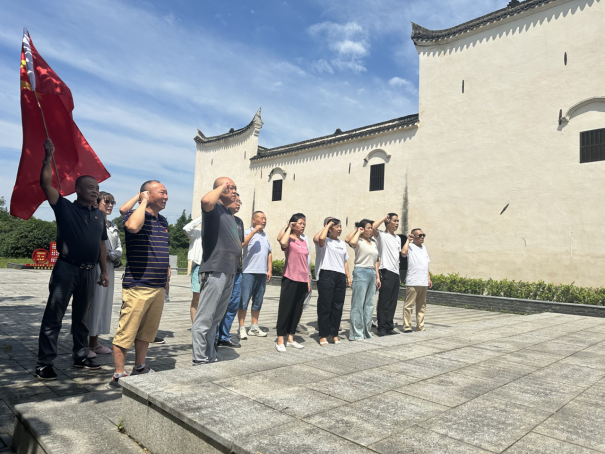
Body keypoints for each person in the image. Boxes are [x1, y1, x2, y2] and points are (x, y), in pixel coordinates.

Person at [35, 139, 108, 380]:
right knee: (54, 316)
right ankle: (45, 363)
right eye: (90, 187)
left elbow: (101, 245)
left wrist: (103, 271)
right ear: (78, 189)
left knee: (82, 318)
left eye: (97, 188)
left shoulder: (99, 216)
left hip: (89, 272)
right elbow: (46, 184)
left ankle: (81, 355)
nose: (95, 191)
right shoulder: (64, 207)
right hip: (66, 269)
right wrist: (48, 157)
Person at [109, 180, 170, 387]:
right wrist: (142, 200)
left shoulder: (163, 221)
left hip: (158, 286)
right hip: (138, 285)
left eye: (166, 193)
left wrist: (166, 276)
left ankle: (140, 366)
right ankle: (119, 373)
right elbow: (133, 226)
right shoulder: (136, 216)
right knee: (127, 331)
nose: (166, 197)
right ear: (147, 194)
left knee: (147, 332)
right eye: (162, 192)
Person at [191, 177, 240, 365]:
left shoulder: (227, 213)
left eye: (235, 188)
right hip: (215, 270)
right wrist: (222, 187)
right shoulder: (214, 209)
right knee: (205, 318)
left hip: (229, 270)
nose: (234, 191)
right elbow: (205, 200)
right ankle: (199, 358)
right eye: (230, 187)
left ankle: (210, 356)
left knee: (215, 319)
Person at [87, 191, 122, 358]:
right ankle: (83, 344)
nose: (110, 205)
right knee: (91, 305)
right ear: (97, 202)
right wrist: (102, 254)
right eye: (106, 202)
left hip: (109, 268)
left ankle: (94, 342)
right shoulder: (91, 220)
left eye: (112, 203)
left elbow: (119, 249)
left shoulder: (113, 225)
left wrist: (110, 255)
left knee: (103, 305)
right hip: (94, 268)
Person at [275, 214, 311, 352]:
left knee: (297, 310)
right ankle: (280, 339)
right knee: (285, 309)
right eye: (300, 223)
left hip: (302, 279)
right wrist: (288, 226)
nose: (303, 226)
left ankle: (290, 338)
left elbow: (305, 263)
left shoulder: (303, 241)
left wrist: (308, 279)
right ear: (293, 224)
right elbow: (282, 242)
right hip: (290, 278)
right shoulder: (289, 238)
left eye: (304, 223)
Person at [315, 219, 351, 346]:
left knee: (338, 306)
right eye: (337, 226)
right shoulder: (325, 241)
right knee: (325, 306)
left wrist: (348, 276)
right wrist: (328, 225)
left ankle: (334, 334)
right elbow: (319, 238)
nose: (340, 229)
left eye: (341, 226)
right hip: (327, 274)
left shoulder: (342, 244)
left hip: (340, 276)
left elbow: (345, 261)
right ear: (330, 229)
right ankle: (323, 335)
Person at [216, 194, 245, 348]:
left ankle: (224, 336)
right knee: (218, 304)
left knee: (233, 304)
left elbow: (240, 243)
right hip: (222, 267)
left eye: (240, 201)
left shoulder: (239, 221)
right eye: (236, 201)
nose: (238, 203)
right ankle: (213, 337)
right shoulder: (220, 217)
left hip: (237, 268)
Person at [238, 211, 272, 339]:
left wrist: (269, 269)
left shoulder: (265, 235)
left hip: (261, 273)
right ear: (254, 220)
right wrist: (254, 232)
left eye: (265, 219)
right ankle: (241, 328)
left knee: (258, 301)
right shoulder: (246, 232)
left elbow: (269, 252)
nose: (264, 221)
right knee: (244, 301)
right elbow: (241, 245)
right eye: (262, 218)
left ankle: (254, 327)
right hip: (248, 272)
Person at [346, 219, 381, 340]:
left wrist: (377, 277)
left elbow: (376, 260)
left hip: (372, 272)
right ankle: (356, 334)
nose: (371, 230)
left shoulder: (374, 242)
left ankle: (366, 332)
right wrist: (358, 231)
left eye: (371, 228)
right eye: (368, 228)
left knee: (369, 305)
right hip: (361, 271)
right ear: (362, 229)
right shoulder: (358, 240)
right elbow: (350, 241)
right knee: (358, 304)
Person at [372, 213, 405, 336]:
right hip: (386, 271)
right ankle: (381, 328)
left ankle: (389, 327)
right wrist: (383, 218)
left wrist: (399, 275)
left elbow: (397, 258)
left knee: (393, 302)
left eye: (398, 221)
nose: (397, 223)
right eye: (394, 220)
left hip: (395, 273)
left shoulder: (398, 238)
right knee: (384, 301)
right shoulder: (381, 235)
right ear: (388, 221)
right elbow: (373, 227)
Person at [402, 228, 432, 333]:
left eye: (423, 235)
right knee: (409, 305)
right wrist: (408, 240)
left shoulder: (424, 248)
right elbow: (403, 252)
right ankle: (407, 326)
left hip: (423, 281)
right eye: (420, 235)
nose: (422, 237)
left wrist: (428, 278)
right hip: (413, 281)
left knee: (422, 306)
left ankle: (420, 326)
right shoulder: (410, 246)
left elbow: (426, 264)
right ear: (413, 236)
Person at [183, 215, 203, 322]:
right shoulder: (197, 233)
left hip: (213, 268)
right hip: (199, 267)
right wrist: (203, 216)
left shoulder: (218, 233)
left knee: (209, 298)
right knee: (197, 296)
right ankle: (195, 325)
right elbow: (186, 228)